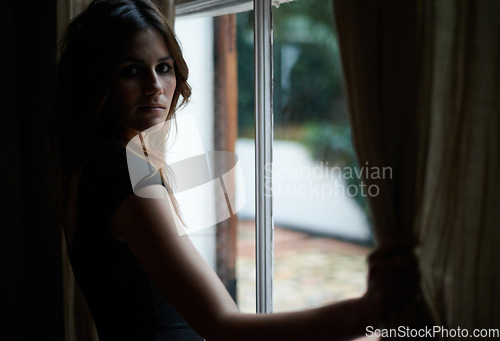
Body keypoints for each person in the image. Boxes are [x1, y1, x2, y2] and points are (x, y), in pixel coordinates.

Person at [52, 0, 420, 340]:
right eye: (131, 71)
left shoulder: (88, 165)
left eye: (163, 68)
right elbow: (224, 327)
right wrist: (366, 312)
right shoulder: (120, 174)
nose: (155, 87)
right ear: (96, 81)